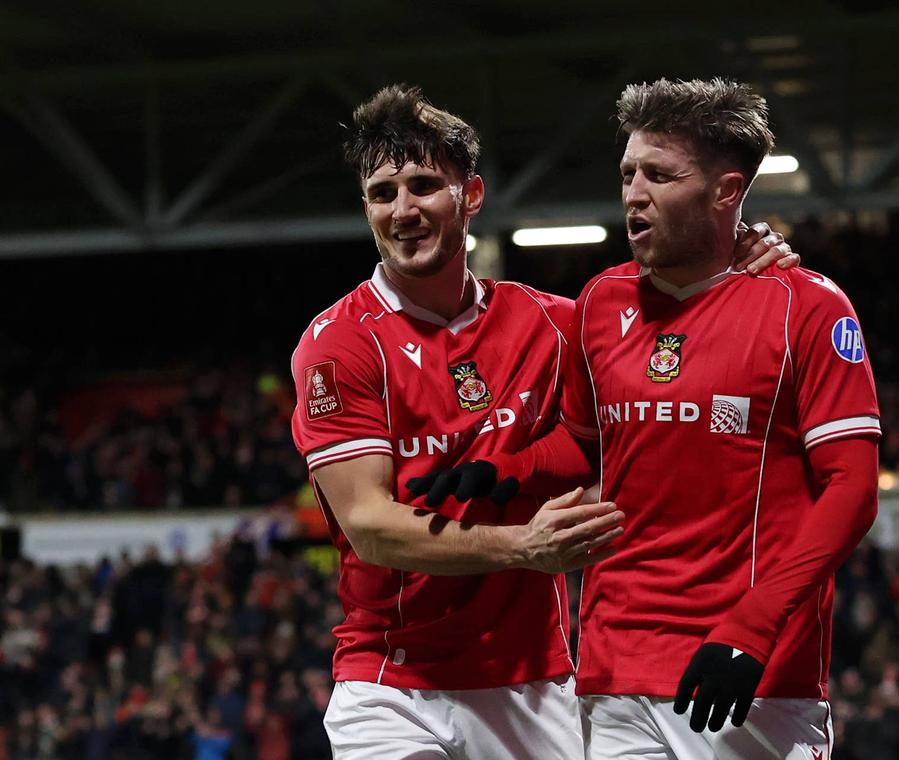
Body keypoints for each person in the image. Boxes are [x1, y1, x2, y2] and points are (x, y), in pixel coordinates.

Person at [290, 84, 798, 759]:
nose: (403, 210)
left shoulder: (555, 323)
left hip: (536, 682)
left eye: (424, 186)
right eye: (383, 194)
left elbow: (680, 310)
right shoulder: (339, 345)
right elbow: (370, 526)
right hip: (393, 686)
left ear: (470, 196)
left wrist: (740, 250)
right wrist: (521, 545)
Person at [413, 78, 879, 760]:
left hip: (748, 673)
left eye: (659, 176)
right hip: (615, 668)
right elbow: (584, 445)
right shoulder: (601, 303)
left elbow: (852, 490)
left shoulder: (806, 307)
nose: (634, 194)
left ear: (725, 191)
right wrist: (507, 471)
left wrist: (755, 625)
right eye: (628, 173)